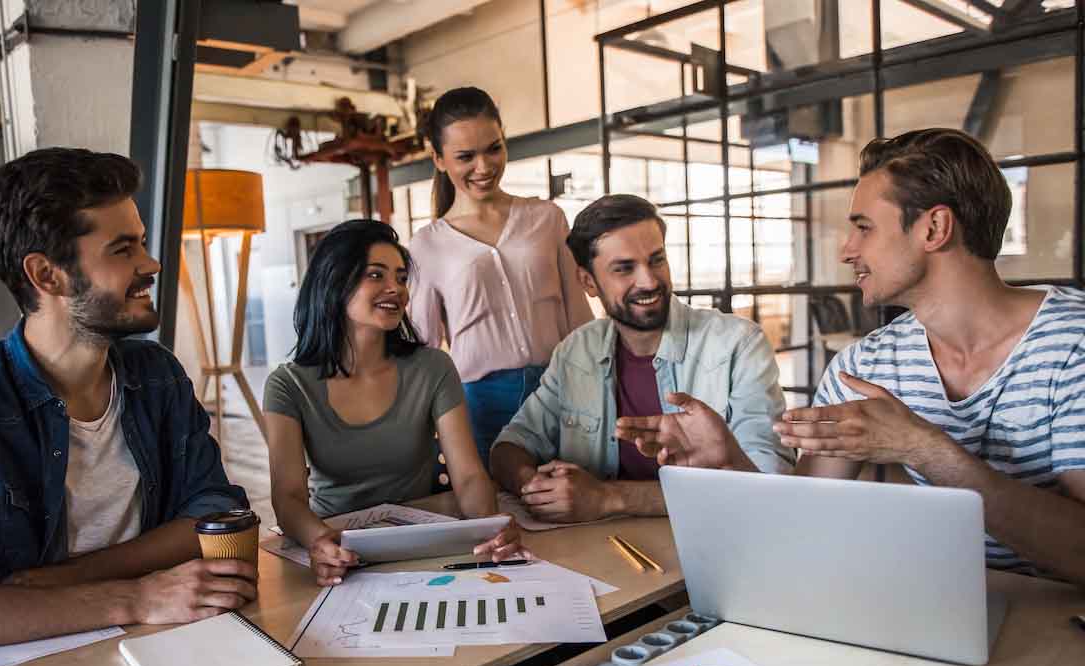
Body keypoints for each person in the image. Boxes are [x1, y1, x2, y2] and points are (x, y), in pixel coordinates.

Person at [616, 128, 1085, 585]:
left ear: (934, 228)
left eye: (863, 228)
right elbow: (801, 523)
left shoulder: (1073, 343)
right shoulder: (865, 364)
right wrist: (729, 464)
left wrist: (922, 447)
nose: (847, 250)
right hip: (945, 606)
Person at [0, 148, 256, 655]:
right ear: (47, 275)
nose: (151, 264)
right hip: (23, 665)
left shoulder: (156, 376)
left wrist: (65, 579)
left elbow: (213, 512)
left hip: (164, 641)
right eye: (123, 249)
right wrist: (135, 596)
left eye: (142, 243)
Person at [490, 194, 794, 524]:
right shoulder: (576, 352)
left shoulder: (737, 344)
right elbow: (509, 446)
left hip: (716, 536)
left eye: (657, 260)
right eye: (624, 269)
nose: (649, 281)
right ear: (588, 282)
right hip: (601, 548)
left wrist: (609, 498)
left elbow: (769, 478)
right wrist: (535, 487)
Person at [264, 220, 523, 587]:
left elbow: (468, 475)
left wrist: (489, 527)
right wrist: (319, 542)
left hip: (425, 539)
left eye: (401, 278)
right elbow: (288, 496)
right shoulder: (288, 385)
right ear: (335, 282)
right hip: (338, 545)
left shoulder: (433, 367)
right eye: (376, 275)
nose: (396, 290)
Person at [408, 87, 594, 464]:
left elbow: (579, 315)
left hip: (561, 390)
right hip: (480, 405)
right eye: (466, 156)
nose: (484, 166)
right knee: (499, 515)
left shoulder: (547, 218)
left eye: (493, 148)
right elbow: (423, 350)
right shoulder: (427, 245)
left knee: (573, 506)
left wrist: (597, 385)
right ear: (439, 160)